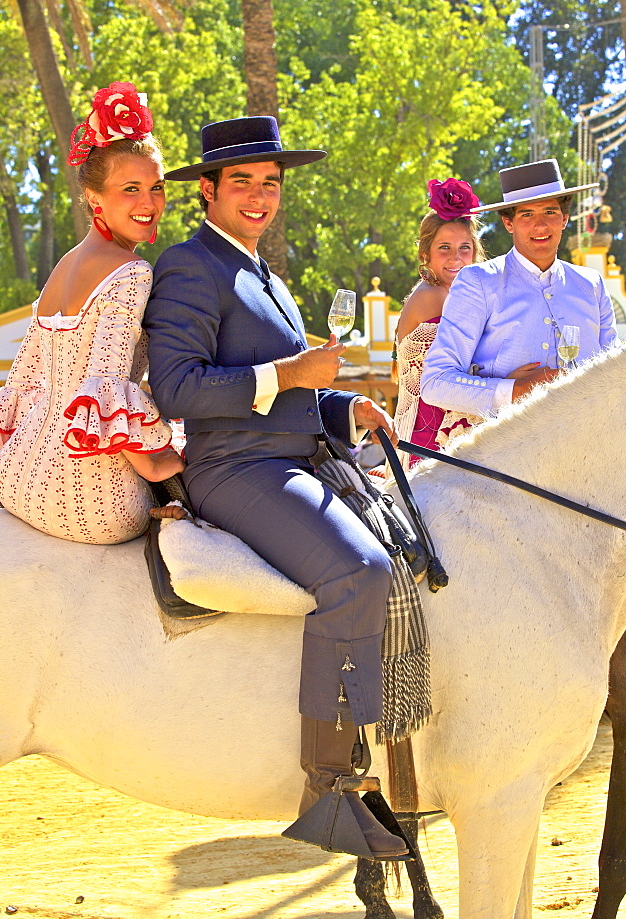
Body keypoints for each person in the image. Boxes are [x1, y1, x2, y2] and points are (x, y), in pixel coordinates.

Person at [143, 116, 408, 860]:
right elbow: (174, 388)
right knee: (361, 570)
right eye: (244, 182)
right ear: (208, 190)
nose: (260, 196)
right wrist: (293, 374)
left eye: (271, 182)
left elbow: (288, 394)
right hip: (234, 469)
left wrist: (343, 408)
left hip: (294, 458)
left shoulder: (269, 277)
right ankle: (327, 789)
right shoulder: (189, 266)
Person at [0, 82, 183, 544]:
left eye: (156, 187)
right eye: (131, 190)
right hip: (89, 500)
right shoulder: (133, 272)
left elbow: (26, 379)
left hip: (18, 477)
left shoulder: (63, 266)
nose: (149, 203)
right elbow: (107, 384)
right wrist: (160, 462)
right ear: (94, 197)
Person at [421, 158, 620, 417]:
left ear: (564, 219)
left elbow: (615, 372)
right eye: (527, 214)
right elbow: (435, 383)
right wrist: (514, 390)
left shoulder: (591, 284)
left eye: (550, 212)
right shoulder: (478, 282)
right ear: (508, 223)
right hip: (509, 450)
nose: (540, 225)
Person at [393, 178, 485, 469]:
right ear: (425, 254)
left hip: (448, 428)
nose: (456, 258)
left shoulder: (453, 293)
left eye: (464, 248)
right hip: (428, 437)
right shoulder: (432, 296)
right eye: (444, 248)